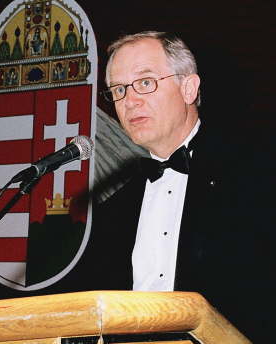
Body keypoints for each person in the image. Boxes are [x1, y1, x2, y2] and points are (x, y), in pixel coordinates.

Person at [81, 31, 274, 342]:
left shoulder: (256, 176)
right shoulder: (114, 209)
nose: (130, 101)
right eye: (118, 89)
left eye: (145, 82)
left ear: (189, 87)